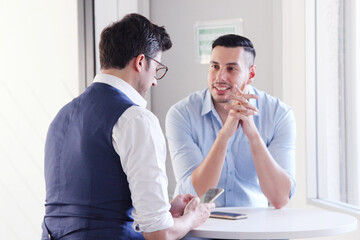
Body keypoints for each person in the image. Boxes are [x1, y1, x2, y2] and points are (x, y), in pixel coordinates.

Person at [41, 13, 214, 240]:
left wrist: (165, 211)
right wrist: (193, 217)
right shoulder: (135, 119)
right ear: (141, 62)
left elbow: (88, 207)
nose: (154, 80)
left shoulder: (62, 116)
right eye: (157, 68)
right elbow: (160, 235)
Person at [166, 34, 296, 209]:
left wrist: (252, 133)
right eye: (215, 66)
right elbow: (195, 195)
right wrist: (224, 135)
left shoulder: (279, 114)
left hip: (254, 226)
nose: (220, 77)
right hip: (198, 226)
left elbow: (280, 199)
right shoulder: (182, 114)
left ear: (251, 74)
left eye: (231, 69)